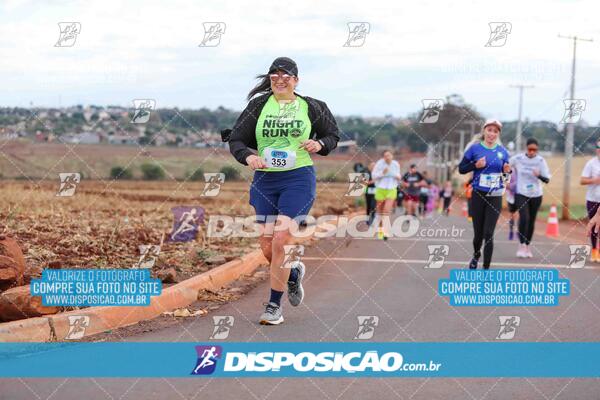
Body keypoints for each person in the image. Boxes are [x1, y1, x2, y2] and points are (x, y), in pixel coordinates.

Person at [226, 57, 340, 325]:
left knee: (281, 239)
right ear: (270, 79)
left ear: (296, 80)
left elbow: (333, 135)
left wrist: (320, 144)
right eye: (275, 75)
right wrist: (248, 157)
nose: (280, 79)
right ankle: (292, 273)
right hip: (265, 179)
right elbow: (236, 139)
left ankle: (274, 306)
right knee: (267, 246)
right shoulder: (258, 106)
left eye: (286, 75)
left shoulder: (311, 106)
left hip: (298, 179)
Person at [458, 119, 511, 269]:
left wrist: (508, 172)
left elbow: (507, 177)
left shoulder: (503, 152)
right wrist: (475, 165)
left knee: (489, 233)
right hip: (478, 195)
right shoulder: (474, 149)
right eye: (489, 130)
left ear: (498, 134)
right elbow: (461, 169)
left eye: (495, 131)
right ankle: (476, 255)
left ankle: (486, 268)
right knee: (478, 234)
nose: (492, 134)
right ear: (484, 131)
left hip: (495, 196)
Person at [510, 138, 551, 258]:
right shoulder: (518, 159)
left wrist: (539, 176)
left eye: (535, 150)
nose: (532, 152)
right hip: (521, 193)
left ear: (537, 150)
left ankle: (527, 246)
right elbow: (506, 166)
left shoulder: (541, 161)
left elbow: (547, 179)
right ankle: (521, 244)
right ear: (526, 148)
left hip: (536, 194)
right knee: (524, 218)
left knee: (531, 220)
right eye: (530, 149)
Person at [371, 150, 401, 240]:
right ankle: (381, 230)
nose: (387, 157)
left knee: (386, 210)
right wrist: (383, 173)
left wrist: (397, 176)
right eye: (385, 156)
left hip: (391, 189)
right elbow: (374, 176)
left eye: (389, 155)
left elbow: (399, 176)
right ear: (383, 157)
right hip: (380, 188)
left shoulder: (396, 164)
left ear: (392, 156)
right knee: (380, 212)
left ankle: (386, 232)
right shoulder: (379, 164)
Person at [580, 139, 600, 262]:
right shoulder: (591, 163)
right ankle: (594, 250)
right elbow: (582, 180)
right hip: (593, 199)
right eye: (598, 146)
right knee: (593, 226)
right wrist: (594, 181)